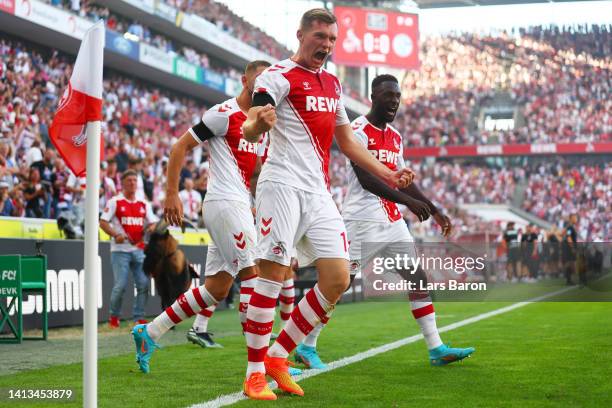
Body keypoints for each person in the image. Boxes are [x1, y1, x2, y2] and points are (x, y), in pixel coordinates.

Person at [239, 9, 413, 400]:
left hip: (318, 191)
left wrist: (387, 173)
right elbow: (251, 123)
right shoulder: (276, 77)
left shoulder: (332, 84)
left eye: (332, 39)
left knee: (337, 277)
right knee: (272, 277)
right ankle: (253, 374)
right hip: (280, 186)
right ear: (301, 34)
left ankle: (279, 355)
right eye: (320, 36)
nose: (327, 44)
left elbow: (348, 142)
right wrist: (258, 124)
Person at [292, 74, 474, 370]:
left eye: (397, 96)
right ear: (374, 96)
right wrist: (408, 202)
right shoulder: (357, 130)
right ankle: (305, 345)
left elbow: (402, 180)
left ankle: (436, 347)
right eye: (388, 95)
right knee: (337, 285)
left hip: (391, 221)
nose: (394, 101)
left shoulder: (395, 137)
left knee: (417, 278)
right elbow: (366, 179)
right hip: (361, 220)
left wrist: (433, 208)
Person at [131, 60, 272, 372]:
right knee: (253, 277)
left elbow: (249, 171)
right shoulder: (224, 114)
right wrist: (171, 193)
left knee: (217, 289)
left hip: (237, 206)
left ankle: (149, 332)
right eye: (258, 78)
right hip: (223, 204)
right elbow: (180, 147)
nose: (263, 85)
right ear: (244, 79)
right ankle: (263, 367)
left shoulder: (259, 123)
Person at [100, 170, 158, 328]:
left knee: (143, 283)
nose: (132, 183)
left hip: (139, 249)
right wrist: (115, 234)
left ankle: (139, 316)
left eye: (135, 180)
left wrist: (152, 227)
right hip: (120, 250)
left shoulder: (143, 203)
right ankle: (114, 317)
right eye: (129, 180)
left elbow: (152, 221)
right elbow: (103, 222)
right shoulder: (115, 201)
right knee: (120, 285)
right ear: (123, 183)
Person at [562, 213, 579, 285]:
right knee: (571, 263)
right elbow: (569, 237)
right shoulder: (570, 227)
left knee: (570, 263)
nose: (576, 219)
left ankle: (568, 279)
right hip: (569, 248)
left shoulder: (571, 227)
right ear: (571, 218)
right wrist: (572, 247)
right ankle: (569, 278)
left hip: (569, 247)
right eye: (575, 217)